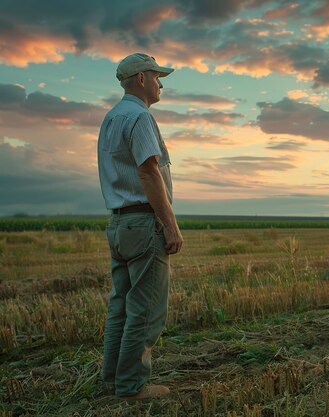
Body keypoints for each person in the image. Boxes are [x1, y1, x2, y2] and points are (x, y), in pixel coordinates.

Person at [97, 53, 184, 399]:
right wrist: (170, 224)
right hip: (142, 223)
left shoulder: (111, 117)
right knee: (145, 310)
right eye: (157, 76)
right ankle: (131, 386)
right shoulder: (139, 116)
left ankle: (112, 379)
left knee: (120, 306)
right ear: (141, 79)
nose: (161, 83)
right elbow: (148, 171)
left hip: (118, 224)